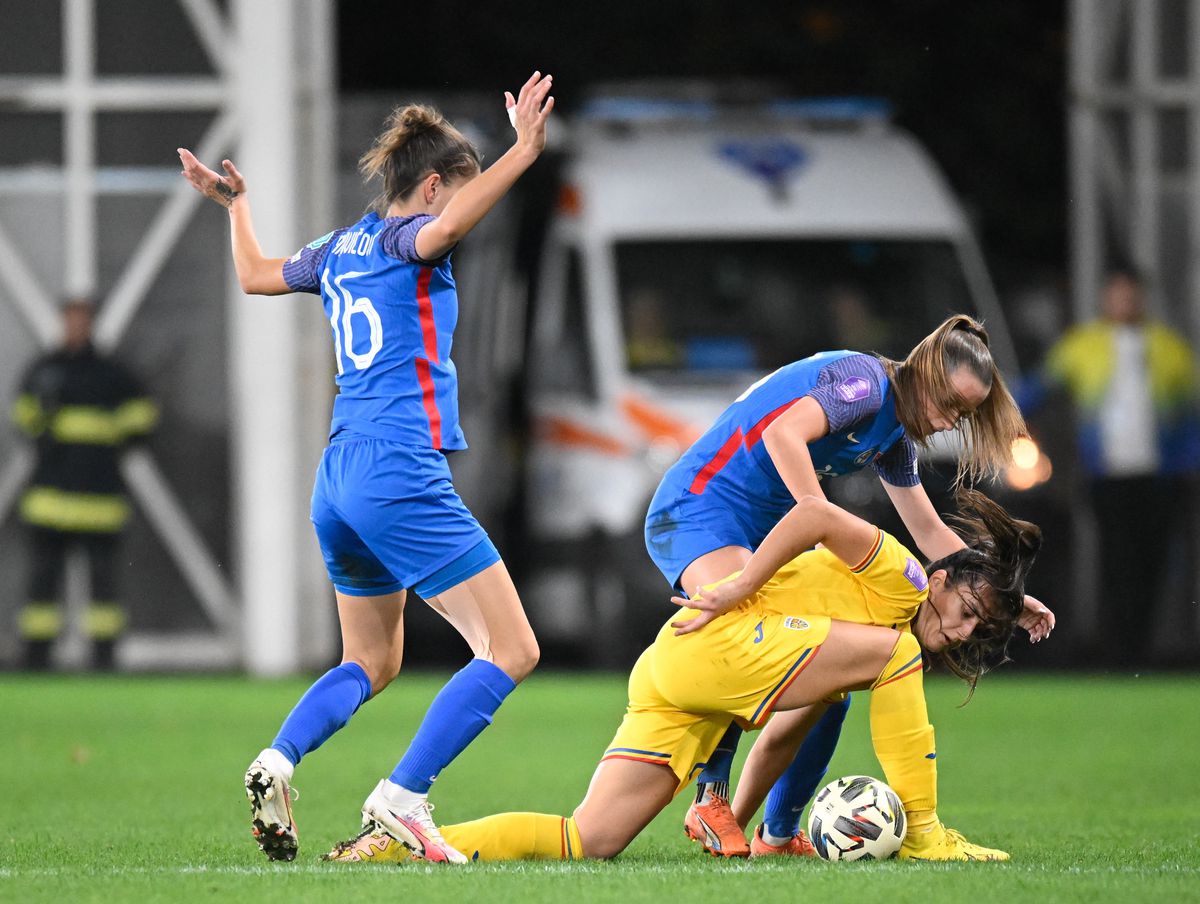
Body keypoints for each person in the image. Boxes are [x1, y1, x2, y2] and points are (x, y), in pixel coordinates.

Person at [177, 71, 555, 863]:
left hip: (338, 476)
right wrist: (522, 153)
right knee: (512, 649)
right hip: (397, 469)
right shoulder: (401, 239)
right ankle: (403, 797)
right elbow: (442, 233)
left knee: (372, 661)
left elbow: (255, 276)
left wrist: (236, 207)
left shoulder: (337, 248)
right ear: (431, 188)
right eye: (456, 193)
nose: (459, 212)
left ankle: (278, 759)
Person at [324, 489, 1040, 863]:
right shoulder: (904, 575)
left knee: (589, 839)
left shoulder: (860, 644)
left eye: (979, 629)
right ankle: (923, 832)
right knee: (897, 657)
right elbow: (816, 513)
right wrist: (743, 582)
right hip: (721, 641)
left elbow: (789, 727)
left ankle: (397, 847)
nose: (963, 632)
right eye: (966, 610)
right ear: (940, 578)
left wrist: (745, 822)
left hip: (678, 666)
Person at [642, 314, 1055, 857]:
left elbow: (930, 533)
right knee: (734, 627)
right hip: (698, 508)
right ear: (926, 370)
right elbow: (781, 433)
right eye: (951, 404)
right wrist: (817, 519)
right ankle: (711, 797)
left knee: (827, 689)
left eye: (963, 414)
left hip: (759, 531)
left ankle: (776, 836)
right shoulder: (865, 383)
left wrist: (1004, 599)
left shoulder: (895, 435)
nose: (950, 422)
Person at [1025, 266, 1200, 667]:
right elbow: (1039, 388)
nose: (1124, 302)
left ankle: (1142, 650)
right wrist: (1000, 414)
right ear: (1106, 298)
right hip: (1107, 476)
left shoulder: (1169, 349)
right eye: (1118, 294)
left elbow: (1189, 417)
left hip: (1160, 477)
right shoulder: (1083, 346)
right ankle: (1117, 651)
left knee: (1153, 562)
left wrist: (1188, 462)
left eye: (1130, 294)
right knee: (1116, 560)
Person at [10, 298, 158, 671]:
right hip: (51, 499)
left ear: (91, 324)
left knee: (103, 586)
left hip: (99, 501)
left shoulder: (112, 374)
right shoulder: (45, 370)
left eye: (82, 321)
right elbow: (22, 414)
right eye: (70, 320)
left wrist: (116, 434)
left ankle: (103, 656)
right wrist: (43, 425)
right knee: (43, 583)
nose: (76, 327)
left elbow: (143, 416)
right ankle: (37, 656)